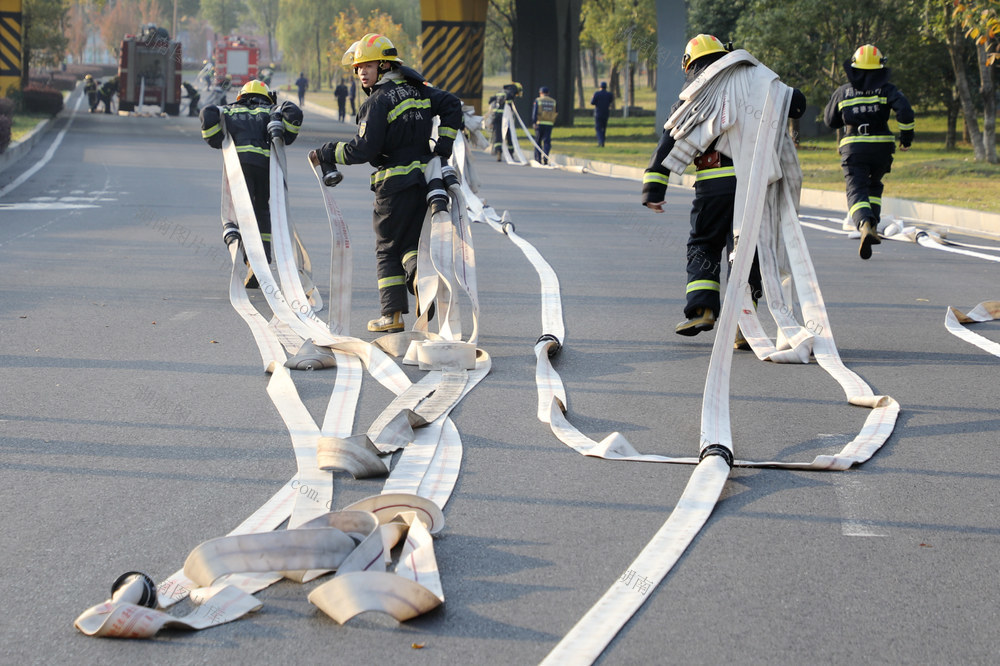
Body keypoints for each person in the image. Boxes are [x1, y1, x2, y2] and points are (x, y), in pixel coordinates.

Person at [642, 34, 806, 342]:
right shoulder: (755, 89)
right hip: (754, 186)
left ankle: (702, 309)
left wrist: (654, 187)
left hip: (712, 183)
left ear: (689, 65)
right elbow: (797, 105)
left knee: (703, 244)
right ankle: (745, 326)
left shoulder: (691, 98)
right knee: (746, 251)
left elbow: (669, 141)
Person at [314, 33, 463, 333]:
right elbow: (453, 106)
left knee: (385, 247)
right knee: (407, 244)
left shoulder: (377, 103)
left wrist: (327, 151)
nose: (360, 73)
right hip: (423, 183)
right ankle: (421, 277)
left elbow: (362, 150)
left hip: (392, 186)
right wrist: (443, 147)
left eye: (367, 66)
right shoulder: (420, 91)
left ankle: (391, 315)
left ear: (383, 65)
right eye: (358, 68)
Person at [200, 80, 303, 286]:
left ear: (241, 96)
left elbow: (207, 113)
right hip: (266, 170)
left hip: (240, 170)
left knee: (242, 216)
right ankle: (260, 262)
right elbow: (293, 117)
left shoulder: (229, 111)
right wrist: (280, 110)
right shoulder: (272, 111)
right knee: (261, 213)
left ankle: (250, 261)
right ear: (267, 96)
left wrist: (218, 136)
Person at [824, 44, 914, 260]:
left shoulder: (843, 92)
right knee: (874, 185)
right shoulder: (888, 90)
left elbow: (830, 121)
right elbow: (906, 112)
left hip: (854, 148)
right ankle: (872, 225)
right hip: (882, 149)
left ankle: (864, 223)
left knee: (856, 190)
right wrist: (906, 138)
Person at [487, 82, 522, 160]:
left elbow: (490, 100)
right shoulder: (511, 93)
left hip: (496, 116)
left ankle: (498, 151)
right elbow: (509, 98)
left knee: (497, 135)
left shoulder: (500, 92)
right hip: (505, 117)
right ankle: (510, 153)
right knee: (509, 135)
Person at [532, 86, 557, 164]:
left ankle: (538, 159)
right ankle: (546, 157)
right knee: (547, 142)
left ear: (540, 93)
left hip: (540, 123)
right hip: (549, 123)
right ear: (548, 93)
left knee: (538, 142)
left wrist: (534, 122)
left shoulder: (538, 100)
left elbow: (534, 113)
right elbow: (556, 112)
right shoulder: (553, 101)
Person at [591, 81, 613, 147]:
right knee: (604, 127)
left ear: (600, 87)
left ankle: (600, 141)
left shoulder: (597, 94)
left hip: (598, 113)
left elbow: (592, 102)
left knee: (598, 128)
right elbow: (610, 101)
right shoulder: (609, 94)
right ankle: (602, 141)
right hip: (606, 113)